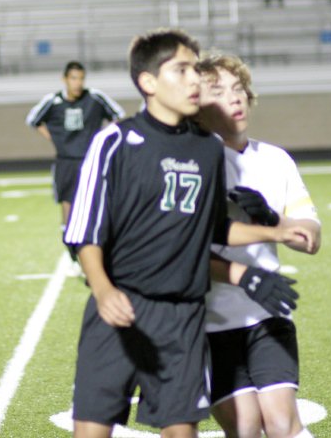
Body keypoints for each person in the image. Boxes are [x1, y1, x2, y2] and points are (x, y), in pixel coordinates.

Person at [63, 29, 306, 438]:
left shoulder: (207, 149)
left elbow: (213, 230)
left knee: (181, 431)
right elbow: (84, 232)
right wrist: (104, 291)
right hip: (120, 308)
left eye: (196, 68)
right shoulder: (115, 141)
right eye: (182, 69)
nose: (195, 79)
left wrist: (277, 233)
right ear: (148, 82)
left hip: (184, 317)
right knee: (92, 431)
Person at [195, 54, 321, 438]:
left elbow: (311, 239)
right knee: (246, 427)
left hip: (268, 312)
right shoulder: (193, 163)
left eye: (239, 90)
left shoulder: (276, 160)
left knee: (283, 424)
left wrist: (274, 220)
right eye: (218, 92)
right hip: (210, 322)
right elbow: (183, 251)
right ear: (196, 106)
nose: (234, 99)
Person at [26, 61, 125, 263]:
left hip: (91, 160)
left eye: (81, 78)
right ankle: (71, 250)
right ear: (65, 79)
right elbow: (33, 120)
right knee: (68, 205)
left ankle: (98, 248)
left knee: (97, 202)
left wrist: (102, 139)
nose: (77, 83)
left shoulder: (94, 97)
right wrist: (55, 139)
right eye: (73, 78)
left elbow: (118, 116)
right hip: (66, 162)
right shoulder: (53, 101)